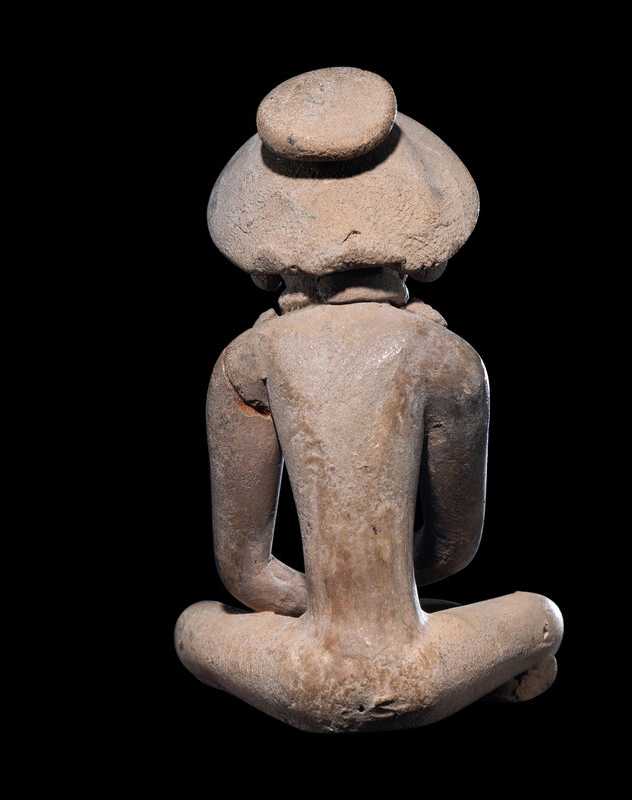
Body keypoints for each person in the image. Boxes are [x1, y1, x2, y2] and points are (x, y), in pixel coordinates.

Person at [175, 67, 562, 732]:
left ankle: (379, 644)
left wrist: (326, 598)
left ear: (263, 257)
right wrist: (383, 596)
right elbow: (451, 550)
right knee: (544, 617)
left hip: (300, 681)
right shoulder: (448, 357)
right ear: (428, 249)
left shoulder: (248, 358)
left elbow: (246, 574)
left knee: (194, 623)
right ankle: (465, 658)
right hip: (420, 676)